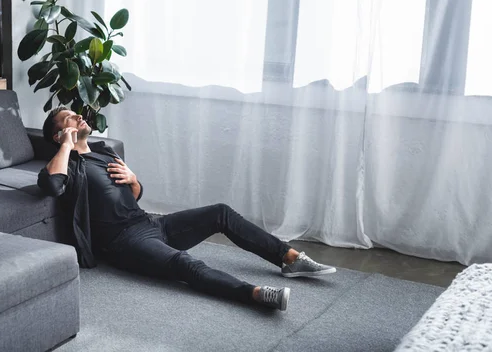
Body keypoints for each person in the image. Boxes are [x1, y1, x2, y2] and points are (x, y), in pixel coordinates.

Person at [38, 107, 336, 311]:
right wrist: (66, 146)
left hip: (151, 224)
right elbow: (52, 186)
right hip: (124, 241)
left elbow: (133, 196)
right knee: (186, 264)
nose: (78, 116)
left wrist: (134, 181)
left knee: (220, 212)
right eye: (68, 118)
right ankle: (255, 294)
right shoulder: (68, 164)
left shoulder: (104, 151)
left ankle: (289, 257)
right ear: (58, 135)